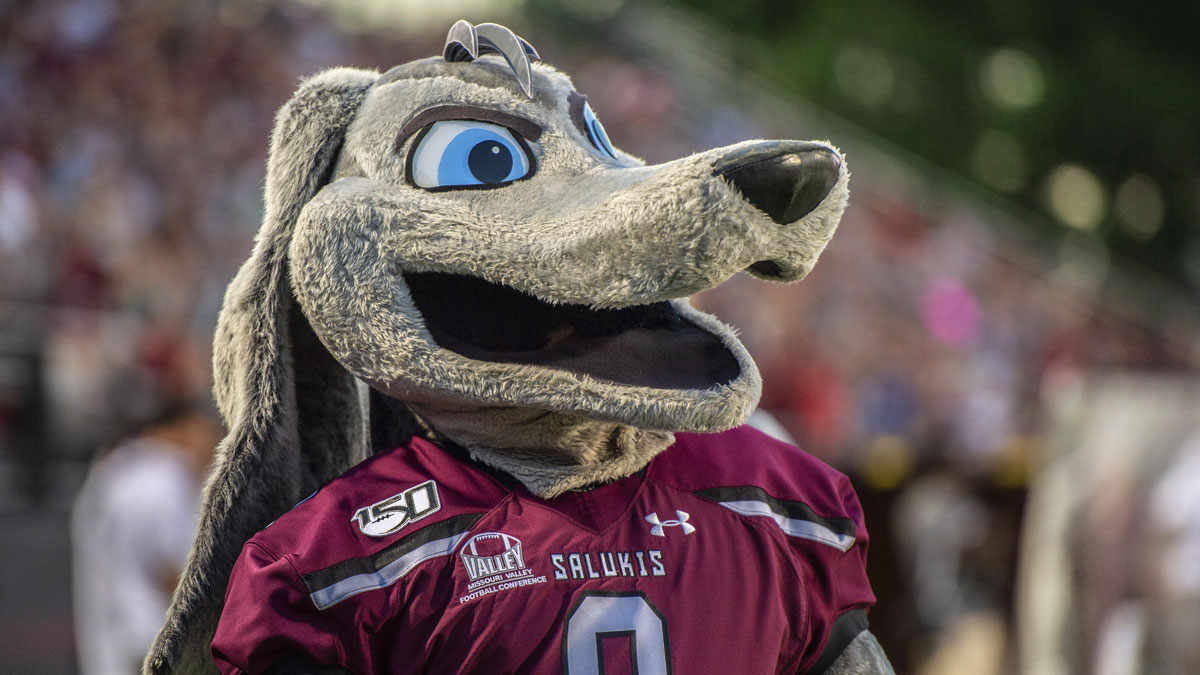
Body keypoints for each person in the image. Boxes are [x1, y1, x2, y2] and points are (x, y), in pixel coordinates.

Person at [72, 399, 220, 675]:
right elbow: (176, 575)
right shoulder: (163, 476)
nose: (214, 444)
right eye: (211, 430)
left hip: (112, 644)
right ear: (186, 425)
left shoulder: (114, 468)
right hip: (154, 643)